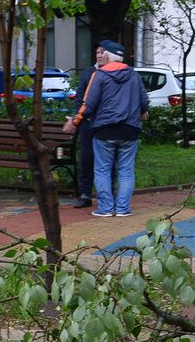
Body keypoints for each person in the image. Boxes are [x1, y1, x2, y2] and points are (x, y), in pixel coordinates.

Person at [63, 44, 148, 217]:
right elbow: (144, 102)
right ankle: (123, 209)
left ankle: (106, 209)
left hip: (104, 131)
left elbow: (89, 104)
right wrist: (141, 112)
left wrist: (75, 121)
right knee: (126, 170)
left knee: (102, 169)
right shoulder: (134, 75)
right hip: (129, 130)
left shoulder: (99, 75)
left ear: (107, 57)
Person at [68, 44, 109, 208]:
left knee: (106, 160)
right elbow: (79, 98)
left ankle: (106, 195)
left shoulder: (113, 73)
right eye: (97, 52)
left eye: (102, 52)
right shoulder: (88, 73)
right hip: (88, 123)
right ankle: (84, 194)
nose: (99, 55)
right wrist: (81, 117)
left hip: (106, 124)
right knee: (86, 159)